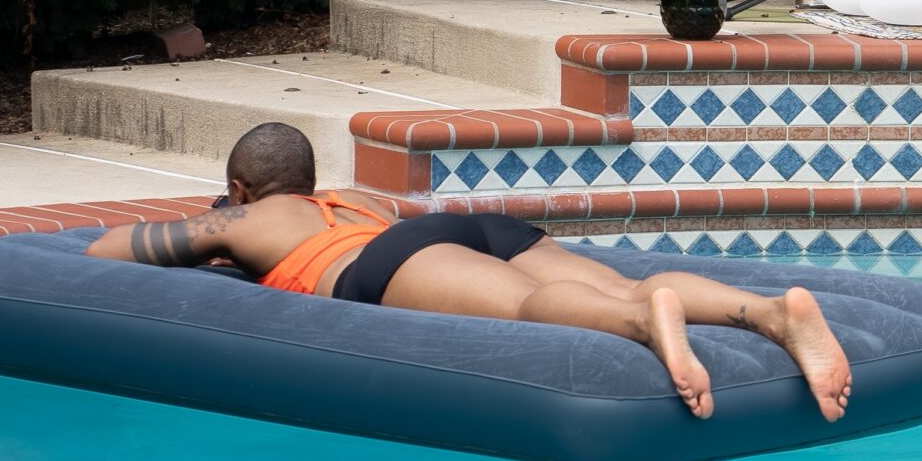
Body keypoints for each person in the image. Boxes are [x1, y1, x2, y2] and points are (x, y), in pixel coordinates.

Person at [84, 122, 852, 422]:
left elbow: (107, 249)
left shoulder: (249, 218)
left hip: (386, 264)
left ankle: (640, 324)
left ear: (242, 188)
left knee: (526, 308)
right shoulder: (346, 198)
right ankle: (770, 314)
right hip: (451, 227)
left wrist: (220, 228)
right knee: (612, 279)